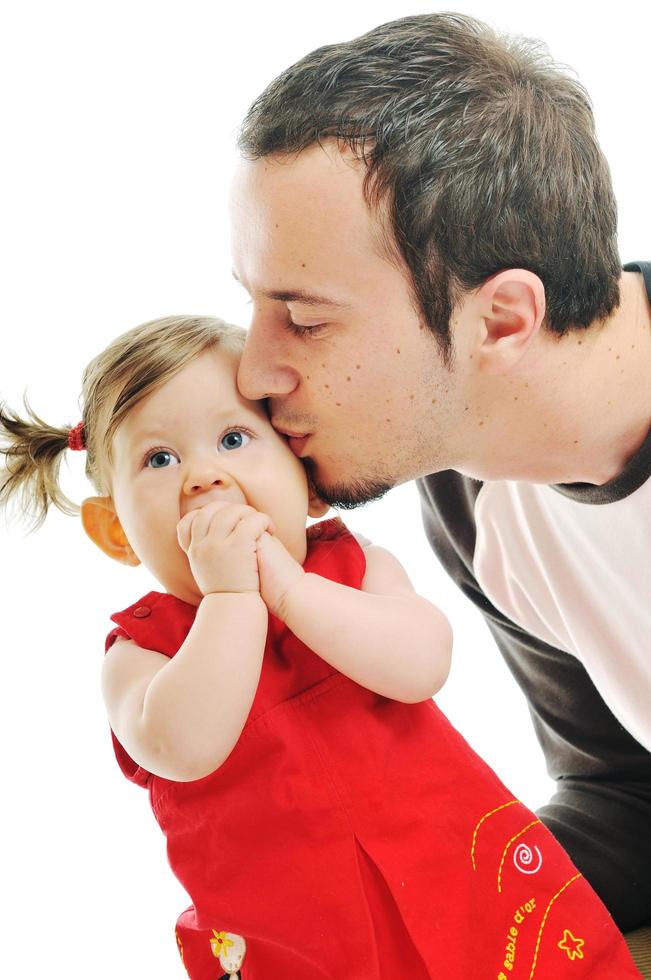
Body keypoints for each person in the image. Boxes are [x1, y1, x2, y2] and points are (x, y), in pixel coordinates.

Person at [0, 315, 641, 979]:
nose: (204, 477)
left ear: (305, 482)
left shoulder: (356, 569)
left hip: (470, 897)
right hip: (306, 950)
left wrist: (286, 590)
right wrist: (231, 600)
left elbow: (422, 665)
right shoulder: (141, 652)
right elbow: (183, 747)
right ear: (116, 533)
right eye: (159, 460)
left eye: (232, 438)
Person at [230, 10, 651, 972]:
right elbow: (625, 790)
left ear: (501, 318)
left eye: (302, 319)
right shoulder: (472, 497)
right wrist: (396, 920)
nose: (253, 371)